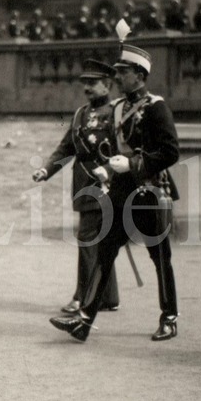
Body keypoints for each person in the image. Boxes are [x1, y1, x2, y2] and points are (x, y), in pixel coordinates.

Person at [49, 43, 180, 343]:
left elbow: (171, 151)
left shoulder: (156, 107)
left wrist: (134, 163)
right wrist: (106, 169)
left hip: (150, 191)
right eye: (118, 71)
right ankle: (85, 319)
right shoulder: (118, 107)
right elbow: (112, 148)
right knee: (104, 254)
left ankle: (169, 317)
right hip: (120, 193)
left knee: (160, 258)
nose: (118, 77)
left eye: (123, 72)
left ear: (139, 74)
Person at [33, 59, 119, 315]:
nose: (87, 88)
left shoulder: (117, 113)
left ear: (107, 85)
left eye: (93, 83)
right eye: (85, 84)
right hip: (84, 184)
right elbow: (67, 147)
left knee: (89, 239)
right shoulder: (80, 114)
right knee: (99, 239)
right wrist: (46, 169)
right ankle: (107, 296)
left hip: (108, 184)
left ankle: (83, 297)